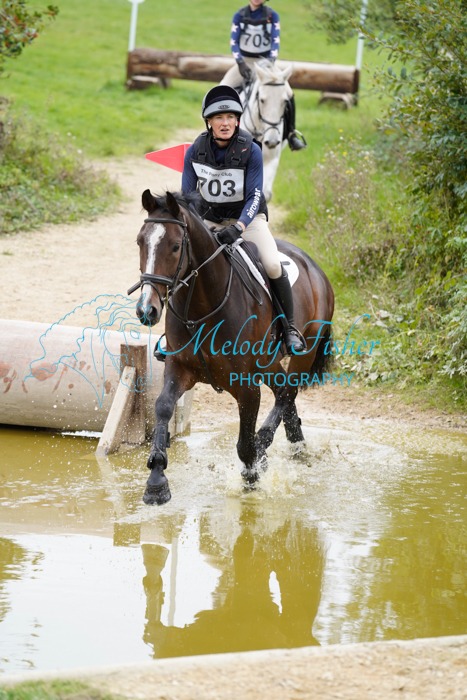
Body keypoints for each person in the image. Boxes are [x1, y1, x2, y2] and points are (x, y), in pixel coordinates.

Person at [181, 85, 305, 355]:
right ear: (209, 122)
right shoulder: (194, 151)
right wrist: (198, 228)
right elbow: (188, 198)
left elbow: (254, 196)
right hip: (211, 221)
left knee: (272, 264)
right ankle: (175, 332)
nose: (225, 123)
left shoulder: (251, 150)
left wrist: (238, 227)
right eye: (219, 118)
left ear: (237, 120)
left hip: (248, 219)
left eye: (230, 117)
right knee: (182, 264)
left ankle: (289, 328)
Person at [221, 0, 306, 152]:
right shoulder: (239, 15)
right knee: (221, 89)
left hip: (266, 63)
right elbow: (234, 42)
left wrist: (270, 62)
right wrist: (240, 63)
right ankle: (214, 133)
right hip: (245, 62)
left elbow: (275, 41)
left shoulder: (272, 16)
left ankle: (291, 133)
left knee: (288, 93)